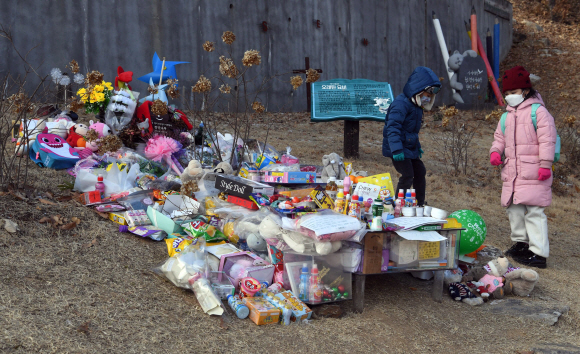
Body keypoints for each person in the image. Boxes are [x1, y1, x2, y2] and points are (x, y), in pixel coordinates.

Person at [490, 66, 557, 269]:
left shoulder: (539, 113)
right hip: (513, 174)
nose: (510, 96)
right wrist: (495, 151)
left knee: (535, 212)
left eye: (514, 92)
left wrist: (546, 165)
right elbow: (499, 137)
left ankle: (538, 253)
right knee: (514, 209)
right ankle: (521, 243)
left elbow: (548, 140)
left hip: (535, 172)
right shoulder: (506, 117)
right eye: (507, 93)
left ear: (525, 91)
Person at [382, 66, 441, 206]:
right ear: (418, 91)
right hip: (397, 148)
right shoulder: (400, 104)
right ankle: (398, 203)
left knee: (420, 171)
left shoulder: (417, 106)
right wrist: (396, 150)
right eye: (426, 94)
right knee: (407, 174)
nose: (428, 98)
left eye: (430, 96)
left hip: (409, 147)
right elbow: (393, 127)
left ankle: (420, 203)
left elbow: (412, 132)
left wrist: (417, 147)